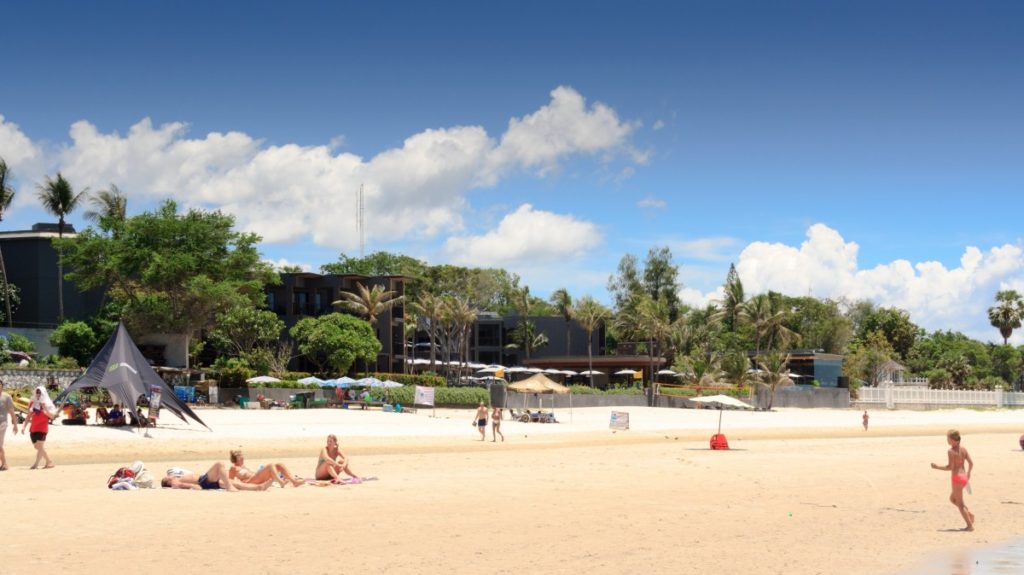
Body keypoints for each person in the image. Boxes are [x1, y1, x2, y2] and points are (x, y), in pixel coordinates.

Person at [930, 429, 975, 531]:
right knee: (952, 499)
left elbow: (950, 467)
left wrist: (937, 467)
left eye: (948, 439)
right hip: (964, 477)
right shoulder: (964, 449)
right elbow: (971, 463)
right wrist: (968, 473)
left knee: (959, 503)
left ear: (954, 440)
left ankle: (970, 525)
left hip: (957, 478)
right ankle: (969, 514)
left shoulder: (951, 451)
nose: (947, 440)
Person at [161, 462, 272, 491]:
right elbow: (192, 486)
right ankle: (229, 487)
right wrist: (192, 486)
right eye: (167, 477)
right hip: (203, 481)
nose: (169, 476)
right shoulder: (175, 483)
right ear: (168, 482)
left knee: (237, 484)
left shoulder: (177, 477)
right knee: (219, 465)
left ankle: (259, 488)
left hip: (205, 481)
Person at [21, 385, 55, 469]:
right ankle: (49, 462)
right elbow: (29, 416)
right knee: (37, 447)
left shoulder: (48, 404)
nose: (38, 394)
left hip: (42, 428)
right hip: (33, 428)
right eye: (37, 392)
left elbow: (52, 417)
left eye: (40, 392)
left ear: (43, 393)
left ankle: (36, 464)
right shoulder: (32, 403)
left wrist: (45, 410)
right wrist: (24, 427)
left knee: (40, 446)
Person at [229, 449, 304, 488]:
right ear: (235, 459)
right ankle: (280, 482)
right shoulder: (233, 468)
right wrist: (241, 485)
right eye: (240, 457)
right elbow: (230, 480)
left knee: (279, 465)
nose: (243, 458)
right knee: (270, 465)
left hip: (256, 478)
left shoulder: (244, 467)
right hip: (249, 482)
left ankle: (294, 482)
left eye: (242, 457)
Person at [0, 379, 19, 471]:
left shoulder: (6, 397)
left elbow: (11, 411)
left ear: (2, 386)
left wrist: (15, 425)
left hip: (2, 423)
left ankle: (4, 463)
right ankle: (4, 464)